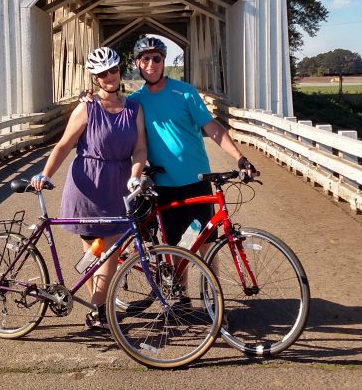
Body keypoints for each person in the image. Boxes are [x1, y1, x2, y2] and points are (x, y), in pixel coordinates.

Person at [30, 46, 147, 331]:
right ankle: (98, 311)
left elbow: (141, 148)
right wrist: (44, 174)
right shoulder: (87, 107)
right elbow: (63, 144)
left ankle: (97, 309)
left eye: (114, 70)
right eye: (102, 73)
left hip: (119, 184)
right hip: (88, 185)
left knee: (108, 252)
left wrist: (135, 175)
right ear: (95, 78)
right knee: (97, 253)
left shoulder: (133, 107)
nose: (110, 77)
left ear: (121, 71)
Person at [128, 36, 258, 249]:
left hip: (196, 180)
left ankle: (210, 284)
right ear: (137, 63)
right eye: (145, 59)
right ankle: (180, 285)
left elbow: (212, 128)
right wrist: (89, 98)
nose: (151, 64)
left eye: (156, 59)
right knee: (174, 248)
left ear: (163, 62)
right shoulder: (134, 101)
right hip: (163, 186)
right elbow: (109, 109)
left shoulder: (185, 92)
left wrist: (240, 157)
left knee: (205, 245)